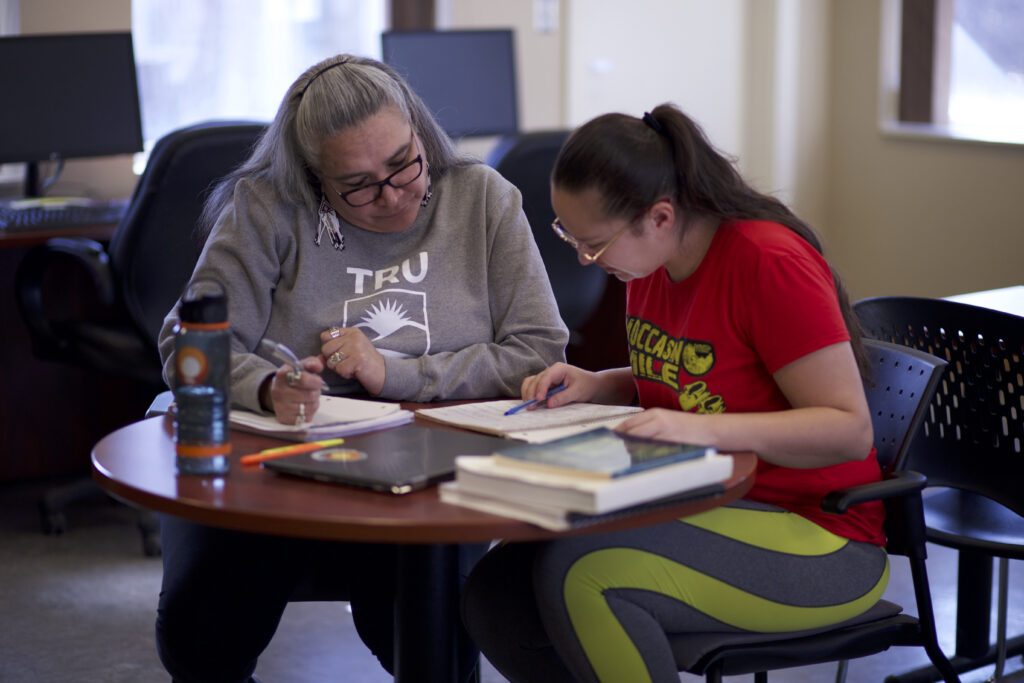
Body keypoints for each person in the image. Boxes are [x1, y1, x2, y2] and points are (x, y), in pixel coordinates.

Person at [154, 54, 568, 683]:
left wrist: (396, 374)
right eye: (359, 185)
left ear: (421, 134)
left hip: (430, 476)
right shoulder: (267, 207)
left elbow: (538, 352)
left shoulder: (482, 199)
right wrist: (266, 388)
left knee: (436, 648)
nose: (394, 195)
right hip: (279, 472)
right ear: (315, 179)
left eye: (405, 163)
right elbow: (185, 345)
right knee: (201, 636)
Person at [460, 103, 887, 683]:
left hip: (820, 538)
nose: (586, 259)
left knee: (584, 569)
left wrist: (700, 430)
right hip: (707, 502)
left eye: (594, 243)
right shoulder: (649, 266)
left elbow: (847, 427)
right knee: (498, 588)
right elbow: (700, 380)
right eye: (571, 237)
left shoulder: (767, 262)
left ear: (659, 216)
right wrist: (602, 384)